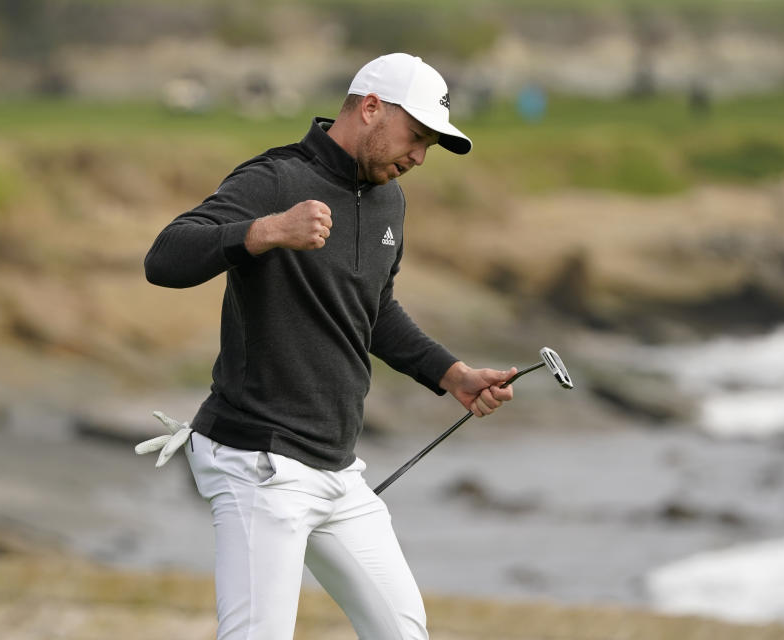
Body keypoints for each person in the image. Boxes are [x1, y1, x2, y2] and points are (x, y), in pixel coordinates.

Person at [142, 53, 517, 639]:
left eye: (430, 146)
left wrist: (451, 374)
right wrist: (265, 232)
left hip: (337, 468)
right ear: (370, 108)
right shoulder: (276, 179)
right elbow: (165, 258)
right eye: (416, 136)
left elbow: (375, 311)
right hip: (258, 461)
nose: (419, 157)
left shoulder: (390, 200)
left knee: (402, 632)